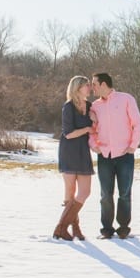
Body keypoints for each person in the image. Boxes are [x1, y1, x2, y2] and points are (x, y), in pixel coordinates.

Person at [89, 72, 140, 239]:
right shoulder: (94, 106)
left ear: (104, 84)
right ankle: (106, 229)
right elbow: (91, 129)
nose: (93, 88)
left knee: (125, 193)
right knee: (105, 194)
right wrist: (94, 146)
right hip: (104, 155)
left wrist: (133, 146)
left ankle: (124, 228)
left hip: (124, 154)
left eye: (95, 84)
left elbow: (138, 124)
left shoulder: (126, 99)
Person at [53, 75, 95, 241]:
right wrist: (87, 129)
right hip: (69, 151)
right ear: (78, 88)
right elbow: (68, 134)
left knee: (85, 192)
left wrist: (95, 122)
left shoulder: (90, 106)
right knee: (70, 192)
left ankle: (61, 227)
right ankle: (73, 228)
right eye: (87, 85)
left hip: (83, 151)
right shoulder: (68, 107)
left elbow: (94, 127)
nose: (90, 88)